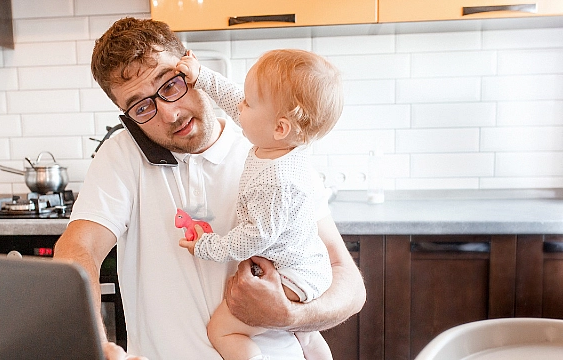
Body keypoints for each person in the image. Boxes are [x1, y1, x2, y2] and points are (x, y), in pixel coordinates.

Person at [53, 17, 366, 360]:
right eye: (142, 106)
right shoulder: (121, 155)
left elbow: (345, 278)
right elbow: (78, 248)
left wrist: (290, 316)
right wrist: (96, 345)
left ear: (190, 67)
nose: (169, 114)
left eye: (171, 85)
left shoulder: (271, 154)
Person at [177, 49, 341, 360]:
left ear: (280, 127)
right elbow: (233, 99)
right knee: (305, 332)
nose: (240, 106)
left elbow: (256, 236)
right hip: (308, 266)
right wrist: (203, 77)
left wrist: (208, 246)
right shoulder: (281, 144)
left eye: (249, 102)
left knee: (223, 330)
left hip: (292, 275)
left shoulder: (276, 180)